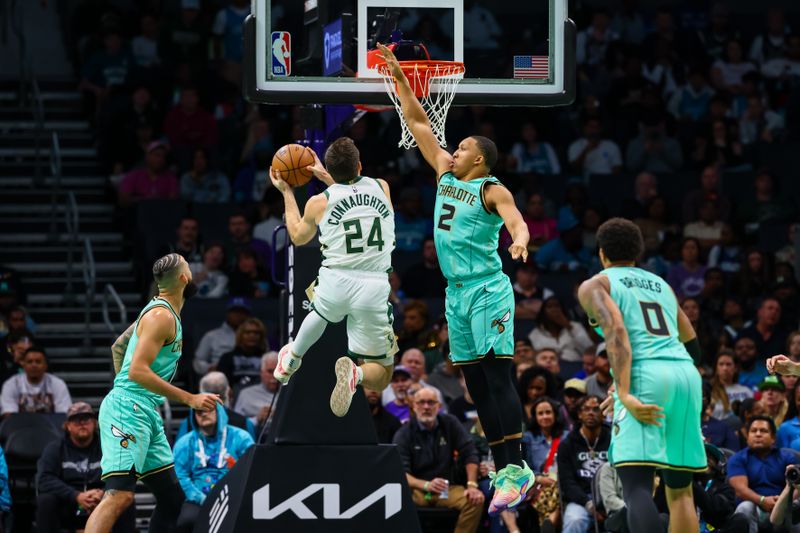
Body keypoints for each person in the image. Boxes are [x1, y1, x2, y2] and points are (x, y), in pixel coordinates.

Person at [379, 42, 533, 516]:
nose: (456, 147)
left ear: (480, 161)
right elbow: (418, 120)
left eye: (464, 146)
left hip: (488, 286)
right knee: (474, 384)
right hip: (456, 293)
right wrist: (399, 75)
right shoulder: (446, 173)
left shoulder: (492, 188)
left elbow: (516, 218)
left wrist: (520, 240)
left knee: (497, 374)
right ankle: (503, 466)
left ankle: (516, 466)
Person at [577, 218, 707, 533]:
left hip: (643, 374)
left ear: (601, 252)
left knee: (635, 485)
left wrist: (622, 390)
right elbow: (693, 344)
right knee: (680, 490)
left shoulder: (596, 284)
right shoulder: (661, 284)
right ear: (638, 252)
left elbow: (616, 331)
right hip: (685, 374)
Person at [85, 254, 221, 533]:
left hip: (143, 408)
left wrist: (127, 388)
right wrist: (189, 398)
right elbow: (137, 371)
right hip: (129, 408)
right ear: (185, 278)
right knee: (119, 494)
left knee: (172, 498)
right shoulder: (160, 316)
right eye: (189, 268)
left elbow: (118, 347)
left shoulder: (157, 311)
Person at [271, 138, 398, 417]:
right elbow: (353, 194)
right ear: (360, 165)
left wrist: (287, 191)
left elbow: (297, 236)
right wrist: (328, 175)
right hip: (374, 285)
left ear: (329, 167)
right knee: (383, 373)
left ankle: (292, 357)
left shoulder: (319, 203)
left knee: (321, 310)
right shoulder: (381, 186)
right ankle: (357, 374)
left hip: (336, 279)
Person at [393, 387, 484, 533]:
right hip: (417, 490)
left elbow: (470, 453)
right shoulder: (404, 433)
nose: (426, 407)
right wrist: (426, 485)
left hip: (446, 488)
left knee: (475, 501)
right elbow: (399, 472)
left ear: (439, 406)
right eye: (421, 402)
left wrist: (472, 485)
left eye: (431, 402)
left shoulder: (450, 423)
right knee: (397, 501)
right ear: (414, 406)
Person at [36, 402, 136, 533]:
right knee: (46, 500)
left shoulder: (109, 446)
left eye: (87, 419)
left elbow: (123, 474)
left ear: (95, 423)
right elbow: (44, 479)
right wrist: (76, 495)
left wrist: (105, 493)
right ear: (67, 426)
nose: (82, 423)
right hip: (69, 504)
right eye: (76, 420)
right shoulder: (55, 448)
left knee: (124, 499)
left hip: (102, 503)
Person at [173, 403, 254, 533]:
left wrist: (236, 495)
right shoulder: (185, 443)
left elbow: (250, 470)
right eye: (198, 411)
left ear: (219, 412)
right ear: (194, 416)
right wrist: (199, 498)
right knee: (186, 521)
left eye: (208, 410)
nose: (203, 414)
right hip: (197, 499)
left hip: (233, 497)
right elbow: (180, 476)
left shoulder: (241, 437)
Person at [728, 415, 798, 533]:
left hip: (782, 506)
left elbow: (798, 486)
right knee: (745, 507)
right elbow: (740, 489)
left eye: (764, 431)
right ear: (747, 436)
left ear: (773, 438)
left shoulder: (787, 457)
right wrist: (762, 500)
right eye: (753, 431)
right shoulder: (738, 459)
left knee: (794, 508)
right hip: (754, 508)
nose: (758, 434)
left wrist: (782, 503)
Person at [557, 395, 611, 533]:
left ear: (604, 414)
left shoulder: (614, 440)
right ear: (579, 414)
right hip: (581, 500)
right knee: (575, 520)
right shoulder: (567, 444)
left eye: (596, 409)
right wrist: (587, 504)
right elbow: (567, 482)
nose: (591, 413)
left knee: (625, 517)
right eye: (586, 409)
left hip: (610, 497)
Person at [523, 396, 569, 530]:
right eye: (540, 413)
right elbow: (523, 466)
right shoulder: (527, 438)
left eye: (548, 412)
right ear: (534, 417)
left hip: (561, 481)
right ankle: (550, 522)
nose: (545, 416)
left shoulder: (567, 436)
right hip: (537, 484)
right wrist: (539, 478)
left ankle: (549, 522)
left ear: (555, 414)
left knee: (561, 486)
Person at [176, 371, 255, 440]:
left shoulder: (188, 423)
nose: (204, 414)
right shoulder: (245, 423)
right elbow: (252, 454)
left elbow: (177, 454)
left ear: (201, 392)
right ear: (229, 392)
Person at [1, 346, 71, 415]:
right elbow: (9, 415)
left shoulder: (57, 384)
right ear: (23, 365)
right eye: (29, 362)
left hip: (50, 426)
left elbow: (63, 414)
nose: (34, 365)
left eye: (38, 362)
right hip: (19, 426)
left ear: (45, 365)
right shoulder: (12, 384)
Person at [193, 297, 251, 375]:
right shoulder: (212, 336)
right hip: (219, 375)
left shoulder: (256, 335)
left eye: (242, 312)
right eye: (235, 311)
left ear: (248, 315)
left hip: (249, 372)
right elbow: (198, 361)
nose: (238, 315)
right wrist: (210, 368)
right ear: (228, 313)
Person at [528, 297, 594, 363]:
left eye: (557, 306)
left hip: (574, 366)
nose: (554, 310)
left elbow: (589, 350)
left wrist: (569, 327)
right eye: (549, 307)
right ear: (543, 312)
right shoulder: (535, 333)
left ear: (563, 309)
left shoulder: (575, 326)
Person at [216, 318, 269, 393]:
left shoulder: (268, 359)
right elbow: (221, 384)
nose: (252, 335)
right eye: (248, 332)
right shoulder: (227, 358)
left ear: (261, 336)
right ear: (240, 335)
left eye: (256, 333)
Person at [234, 352, 279, 434]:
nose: (275, 375)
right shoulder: (246, 394)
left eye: (278, 371)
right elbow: (236, 424)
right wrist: (257, 419)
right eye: (270, 371)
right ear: (261, 372)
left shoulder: (291, 394)